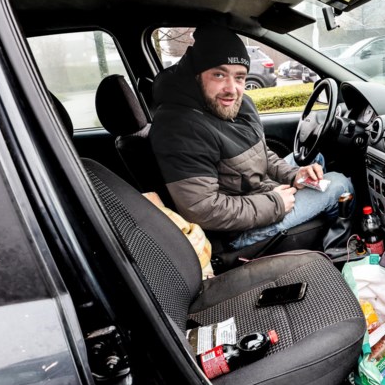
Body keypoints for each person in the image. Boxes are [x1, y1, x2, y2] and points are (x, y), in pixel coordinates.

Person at [149, 25, 354, 250]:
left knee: (316, 163)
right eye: (219, 74)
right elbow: (202, 209)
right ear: (197, 75)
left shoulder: (236, 104)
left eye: (239, 77)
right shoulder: (180, 126)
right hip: (236, 232)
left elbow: (260, 153)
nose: (232, 89)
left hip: (255, 194)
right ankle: (340, 251)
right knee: (340, 184)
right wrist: (274, 204)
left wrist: (295, 175)